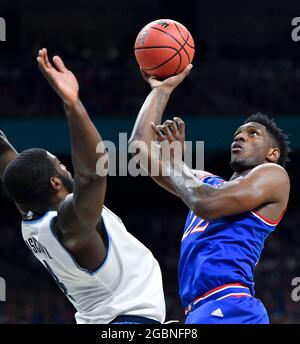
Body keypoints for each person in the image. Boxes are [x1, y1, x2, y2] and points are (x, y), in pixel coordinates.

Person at [0, 48, 165, 324]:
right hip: (127, 323)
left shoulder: (30, 210)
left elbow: (3, 151)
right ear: (55, 183)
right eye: (60, 165)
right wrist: (72, 104)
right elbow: (92, 174)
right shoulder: (71, 223)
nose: (66, 167)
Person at [129, 64, 290, 324]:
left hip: (232, 305)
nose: (240, 137)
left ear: (272, 154)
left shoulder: (274, 176)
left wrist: (174, 165)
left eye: (253, 134)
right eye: (238, 134)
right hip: (198, 309)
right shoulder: (203, 181)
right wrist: (161, 91)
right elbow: (140, 149)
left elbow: (206, 204)